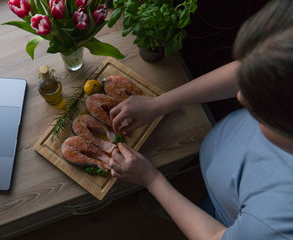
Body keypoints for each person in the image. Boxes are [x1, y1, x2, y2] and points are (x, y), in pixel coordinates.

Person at [105, 0, 293, 239]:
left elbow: (216, 236)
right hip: (232, 194)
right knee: (208, 204)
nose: (240, 95)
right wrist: (160, 104)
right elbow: (250, 69)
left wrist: (153, 181)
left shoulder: (274, 221)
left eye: (257, 103)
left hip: (227, 222)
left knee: (209, 216)